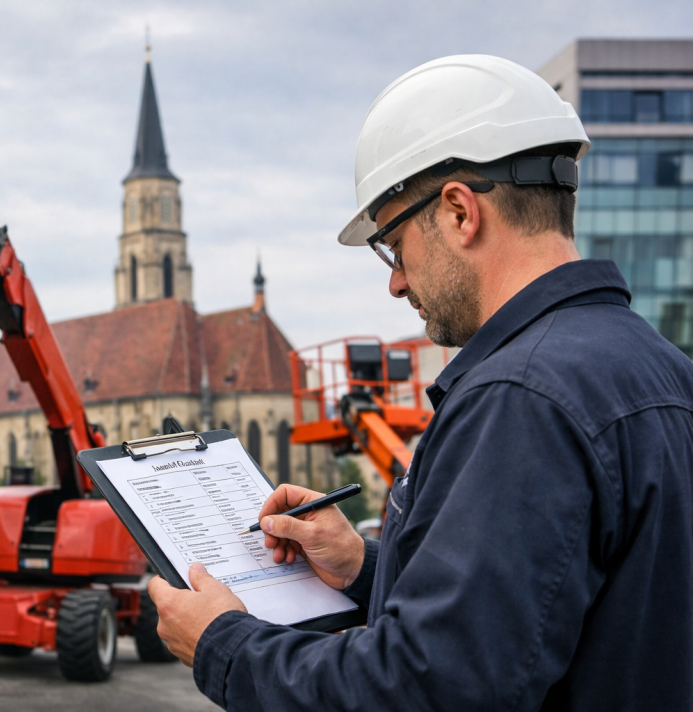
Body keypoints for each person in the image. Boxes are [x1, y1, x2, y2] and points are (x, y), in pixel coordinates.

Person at [148, 54, 693, 711]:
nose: (396, 281)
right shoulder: (662, 368)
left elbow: (425, 688)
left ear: (460, 212)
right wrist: (363, 567)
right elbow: (537, 611)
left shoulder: (521, 399)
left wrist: (225, 646)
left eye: (394, 244)